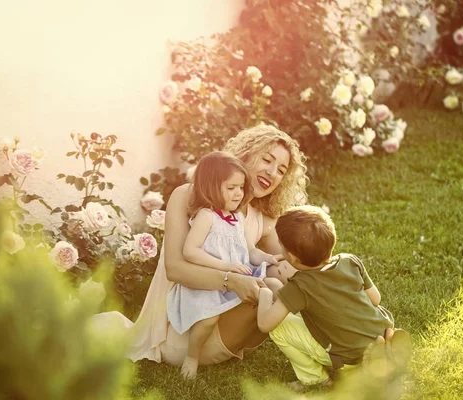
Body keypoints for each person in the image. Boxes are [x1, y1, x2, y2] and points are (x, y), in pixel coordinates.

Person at [92, 125, 308, 368]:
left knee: (279, 278)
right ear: (245, 154)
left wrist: (340, 280)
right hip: (181, 333)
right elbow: (175, 269)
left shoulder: (262, 219)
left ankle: (337, 342)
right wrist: (232, 280)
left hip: (225, 327)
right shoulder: (188, 196)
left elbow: (297, 270)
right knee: (269, 288)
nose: (272, 172)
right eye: (267, 159)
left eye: (281, 170)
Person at [257, 205, 411, 390]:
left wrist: (264, 294)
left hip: (346, 357)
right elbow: (375, 300)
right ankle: (384, 351)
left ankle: (316, 379)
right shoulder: (350, 261)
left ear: (292, 257)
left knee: (279, 327)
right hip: (379, 331)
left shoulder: (299, 286)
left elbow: (265, 324)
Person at [166, 151, 283, 378]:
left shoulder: (236, 217)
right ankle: (192, 356)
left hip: (231, 279)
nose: (239, 194)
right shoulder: (206, 216)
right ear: (211, 188)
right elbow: (190, 252)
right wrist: (225, 267)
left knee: (271, 285)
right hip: (206, 283)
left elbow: (249, 250)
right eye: (231, 188)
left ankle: (285, 332)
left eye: (241, 187)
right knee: (208, 319)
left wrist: (267, 258)